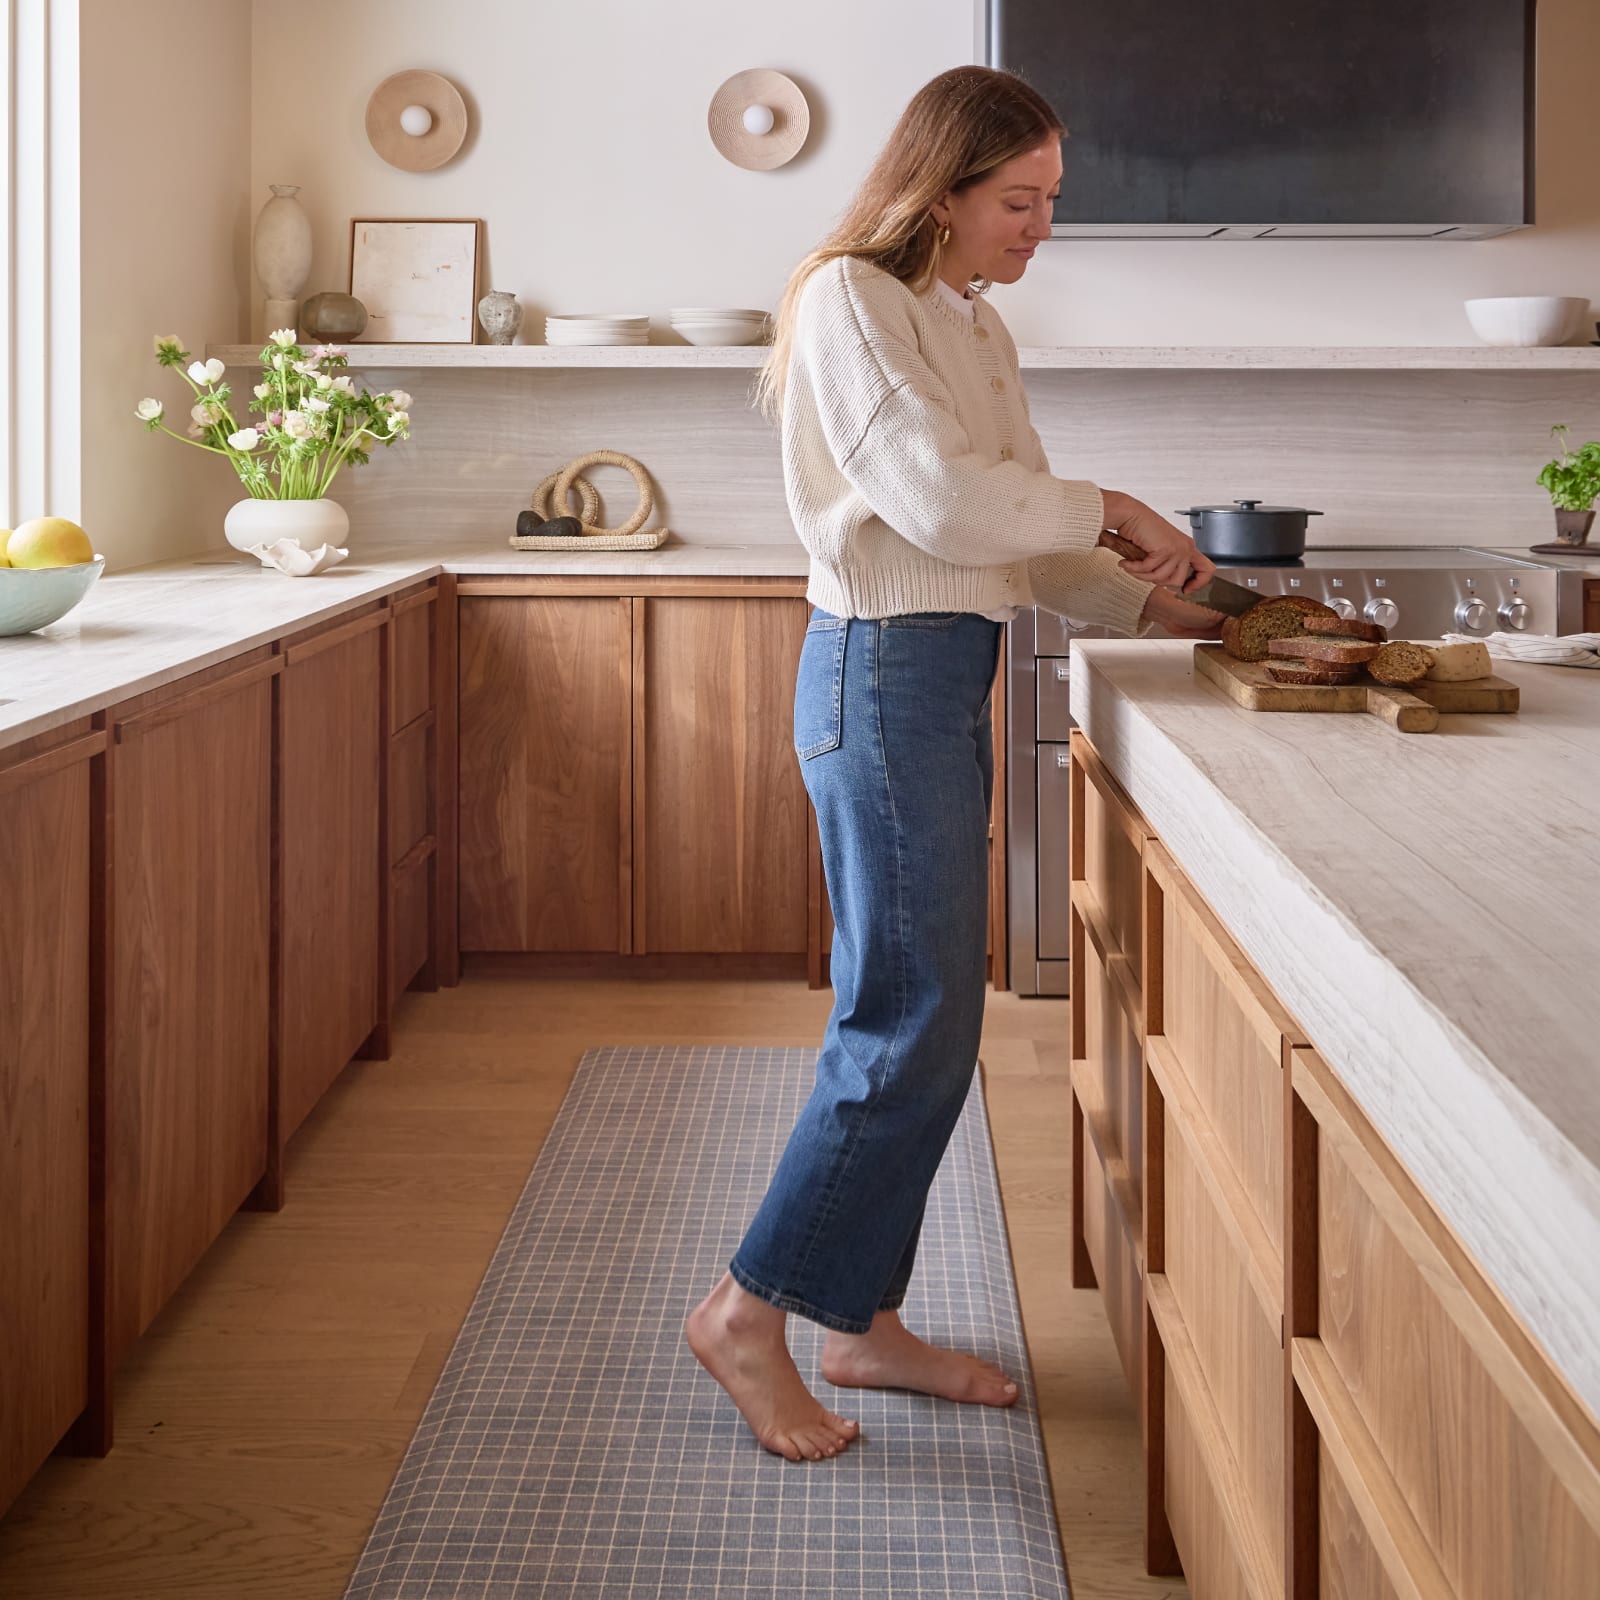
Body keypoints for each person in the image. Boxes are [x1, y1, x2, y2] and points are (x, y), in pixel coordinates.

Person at [686, 64, 1224, 1463]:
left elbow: (1013, 536)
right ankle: (747, 1316)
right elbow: (931, 498)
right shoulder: (850, 300)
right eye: (1019, 200)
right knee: (905, 1015)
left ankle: (860, 1321)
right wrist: (1113, 501)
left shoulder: (971, 326)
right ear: (941, 189)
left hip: (942, 671)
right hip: (879, 675)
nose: (1041, 227)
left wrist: (1150, 599)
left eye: (1051, 201)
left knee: (936, 1016)